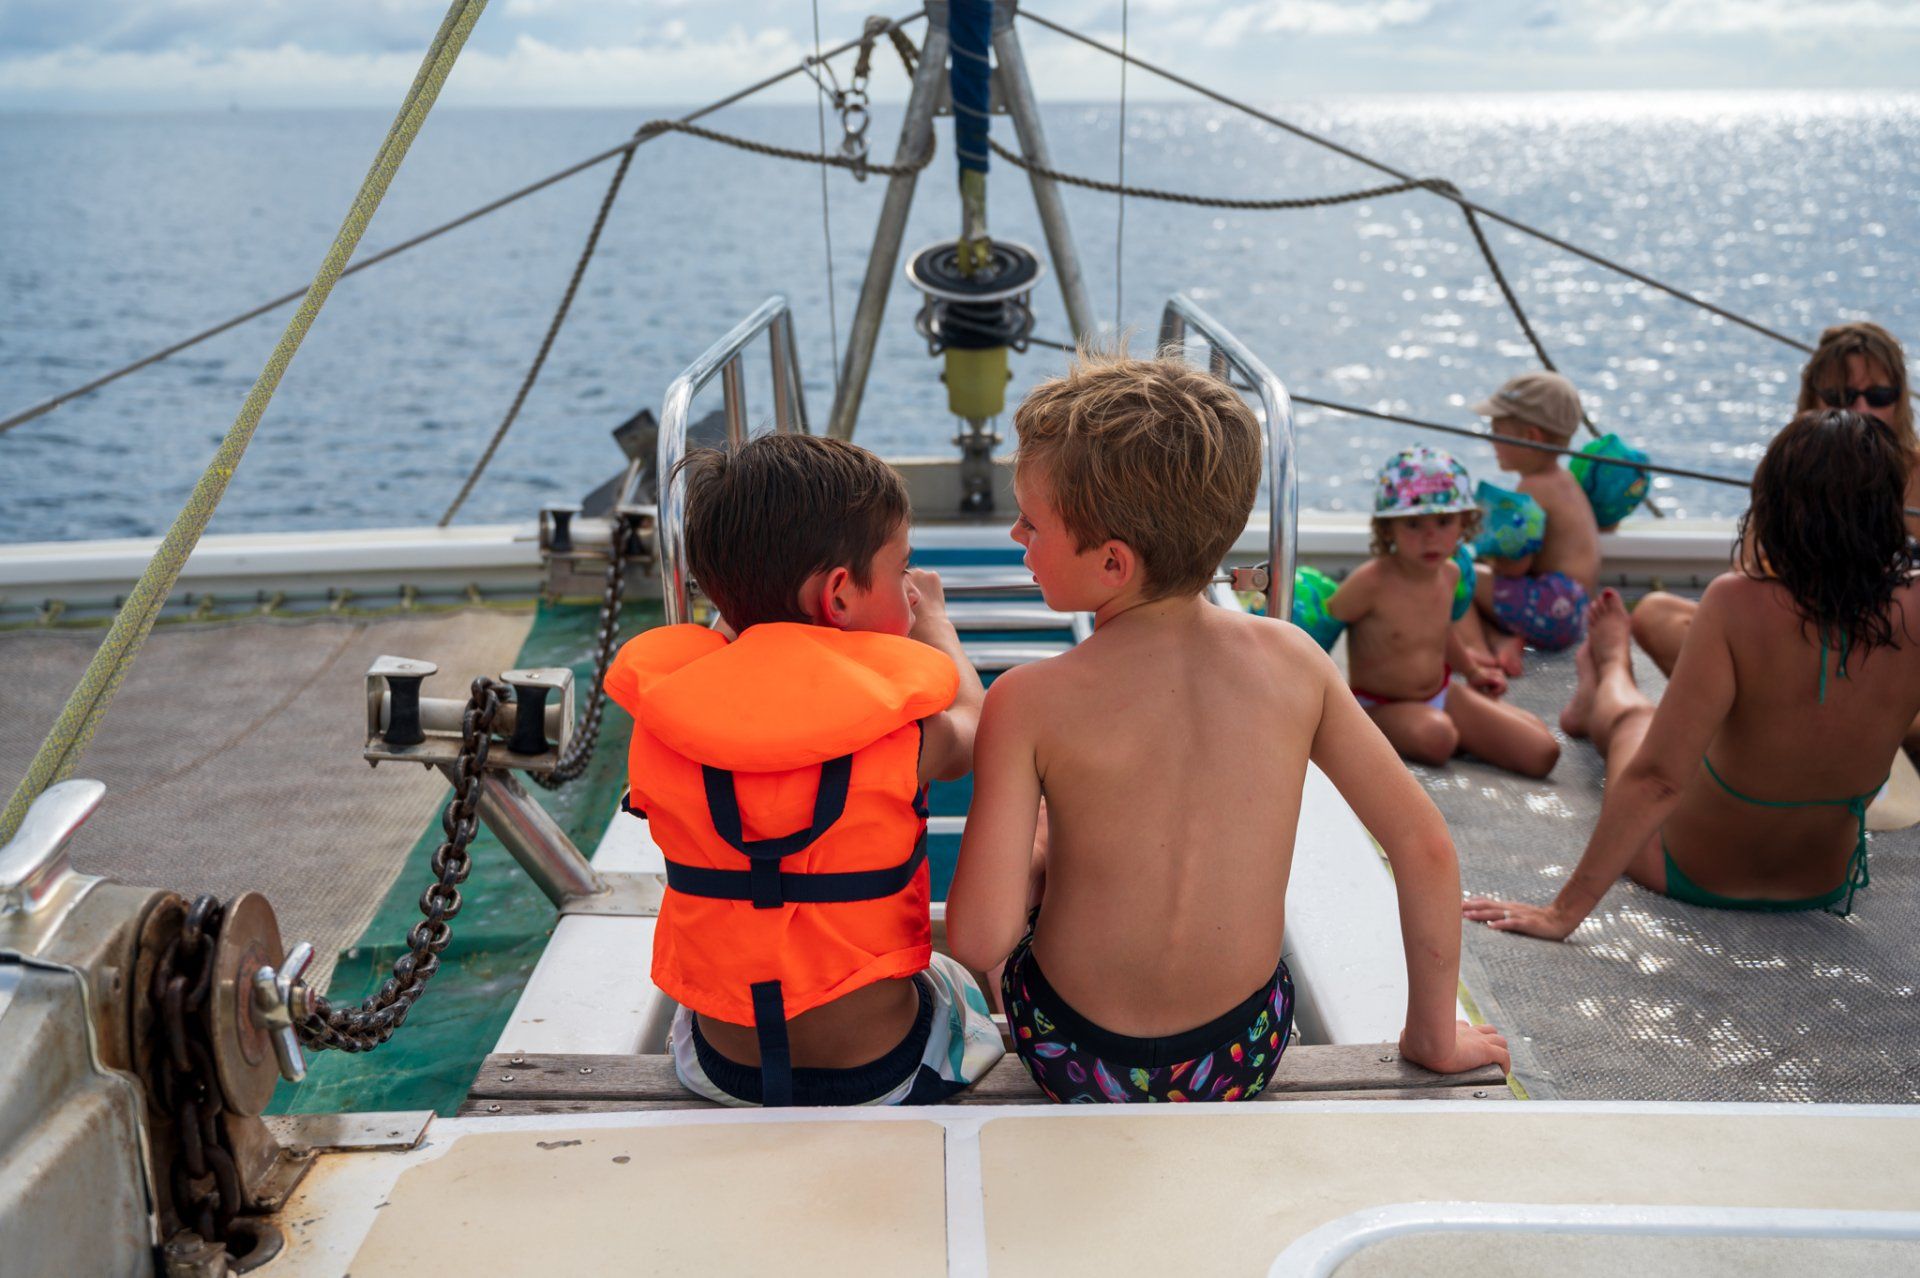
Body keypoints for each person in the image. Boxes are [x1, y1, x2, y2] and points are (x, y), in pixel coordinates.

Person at [944, 351, 1510, 1103]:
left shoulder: (1028, 698)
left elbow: (981, 939)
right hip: (1240, 1055)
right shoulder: (1295, 661)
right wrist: (1433, 1035)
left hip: (1072, 1057)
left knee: (1035, 859)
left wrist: (1041, 847)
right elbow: (1424, 845)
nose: (1016, 533)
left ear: (1113, 563)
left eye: (1031, 521)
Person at [604, 433, 1003, 1106]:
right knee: (958, 980)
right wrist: (934, 622)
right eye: (902, 571)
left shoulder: (663, 724)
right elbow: (973, 723)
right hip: (884, 1071)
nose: (909, 592)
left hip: (723, 1072)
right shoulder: (903, 732)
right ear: (839, 596)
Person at [1464, 410, 1920, 938]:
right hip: (1823, 880)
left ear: (1775, 504)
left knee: (1637, 722)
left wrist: (1562, 913)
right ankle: (1607, 679)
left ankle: (1609, 673)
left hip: (1693, 872)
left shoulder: (1737, 603)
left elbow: (1658, 780)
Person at [1634, 322, 1919, 678]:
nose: (1861, 410)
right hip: (1798, 643)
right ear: (1813, 400)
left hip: (1888, 651)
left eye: (1878, 396)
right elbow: (1749, 573)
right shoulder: (1784, 475)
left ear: (1899, 398)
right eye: (1842, 397)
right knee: (1655, 614)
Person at [1332, 445, 1560, 778]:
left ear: (1464, 524)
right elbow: (1322, 628)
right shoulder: (1371, 582)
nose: (1430, 536)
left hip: (1441, 693)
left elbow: (1441, 632)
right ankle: (1449, 732)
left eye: (1443, 521)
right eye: (1413, 523)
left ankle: (1462, 729)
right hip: (1380, 705)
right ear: (1387, 529)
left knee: (1542, 750)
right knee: (1438, 738)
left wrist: (1473, 671)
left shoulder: (1450, 574)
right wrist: (1327, 708)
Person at [1453, 371, 1602, 676]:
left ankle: (1477, 651)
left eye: (1496, 430)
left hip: (1549, 605)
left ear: (1531, 437)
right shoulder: (1566, 481)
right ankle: (1503, 641)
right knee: (1478, 584)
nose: (1489, 438)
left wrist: (1485, 554)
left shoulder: (1532, 488)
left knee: (1453, 572)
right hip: (1575, 612)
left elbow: (1514, 567)